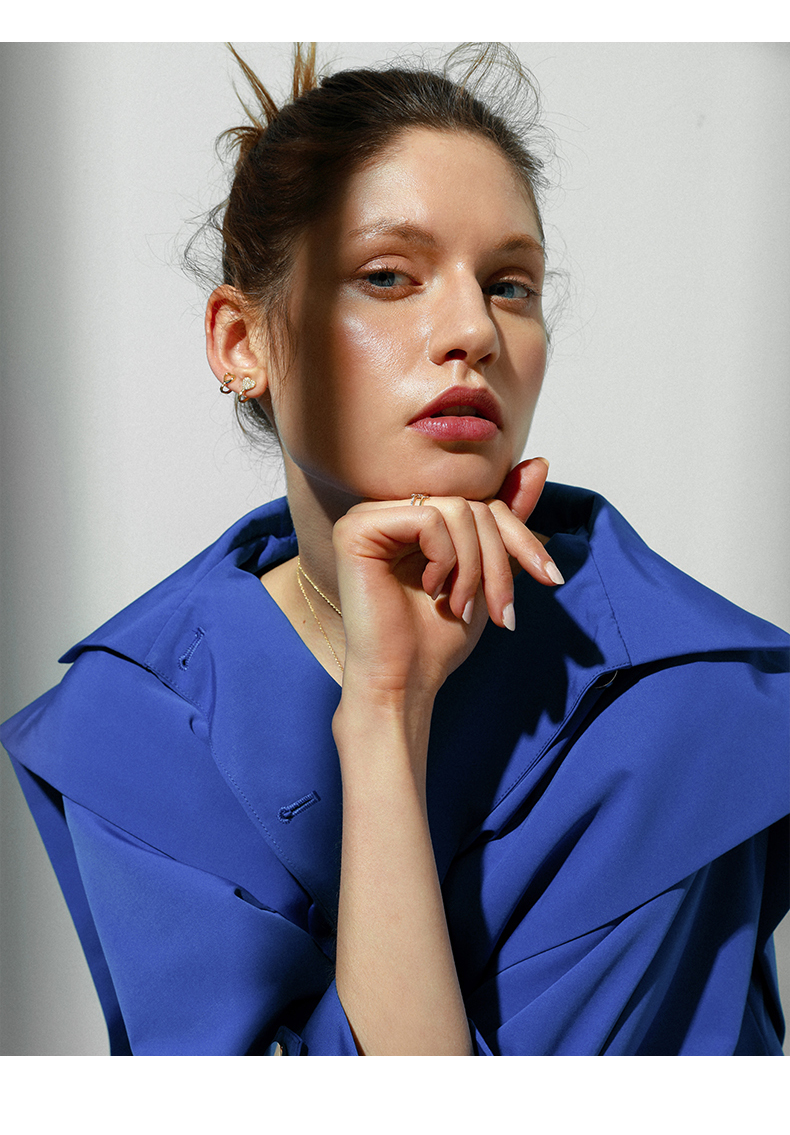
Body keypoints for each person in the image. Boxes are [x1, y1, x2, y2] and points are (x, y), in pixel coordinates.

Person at [1, 42, 788, 1056]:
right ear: (243, 343)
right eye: (387, 275)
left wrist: (386, 712)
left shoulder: (679, 702)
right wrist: (384, 706)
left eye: (510, 285)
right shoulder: (136, 722)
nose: (472, 329)